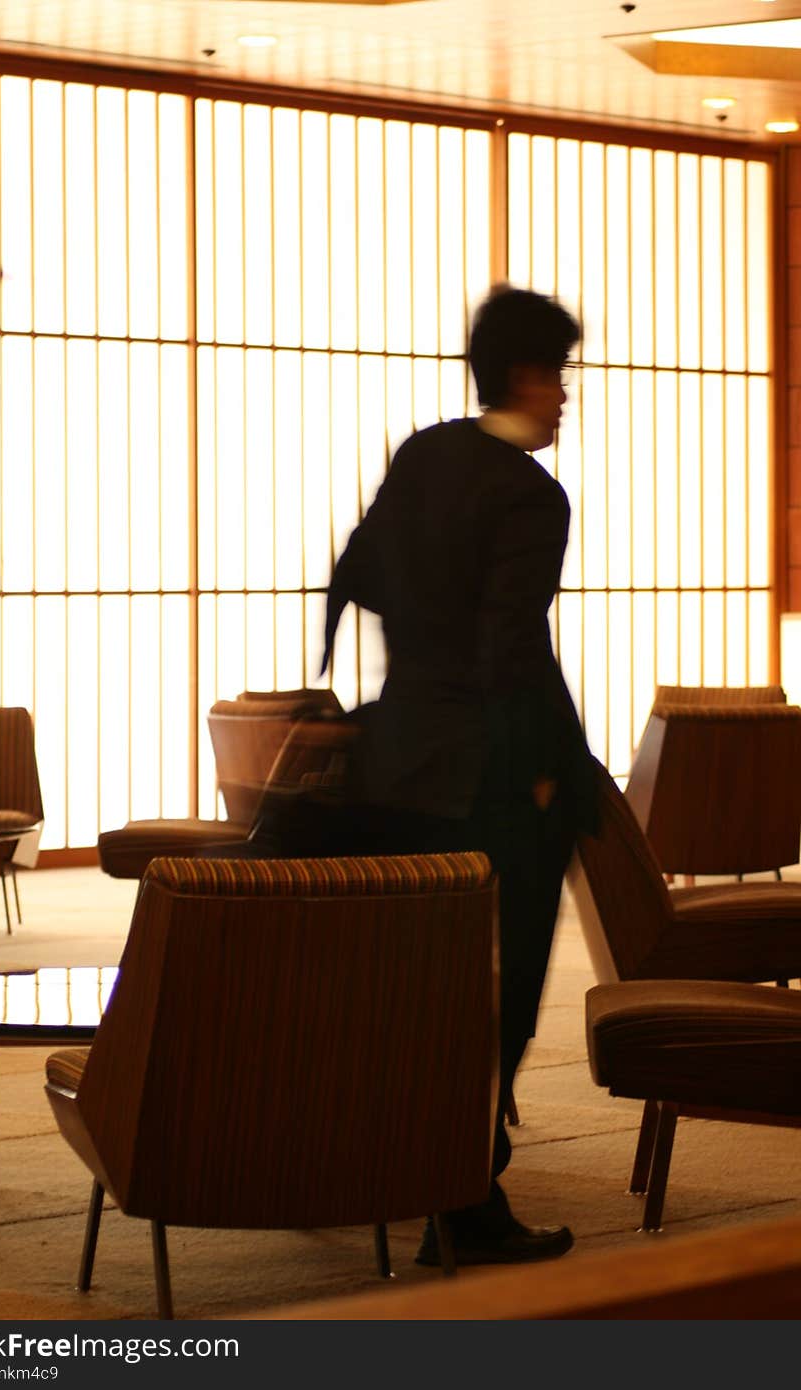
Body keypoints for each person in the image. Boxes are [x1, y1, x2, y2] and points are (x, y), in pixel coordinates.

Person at [319, 284, 600, 1267]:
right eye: (559, 374)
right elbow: (512, 649)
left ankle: (415, 1167)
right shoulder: (529, 492)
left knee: (416, 987)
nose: (565, 397)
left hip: (398, 759)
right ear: (527, 373)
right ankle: (466, 1196)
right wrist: (547, 776)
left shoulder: (425, 452)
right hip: (485, 778)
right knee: (500, 988)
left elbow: (356, 572)